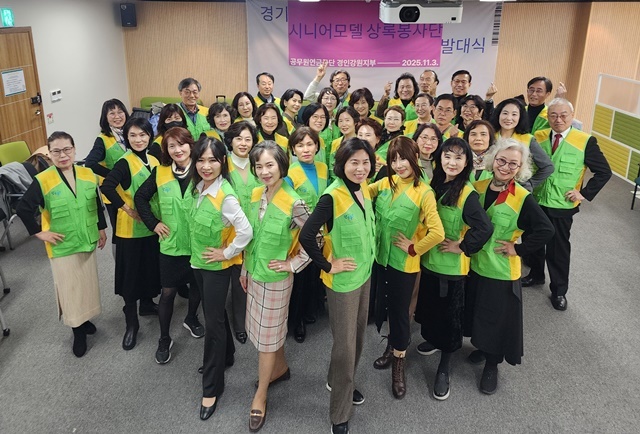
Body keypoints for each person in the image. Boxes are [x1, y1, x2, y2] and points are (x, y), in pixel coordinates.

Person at [299, 138, 376, 434]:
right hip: (343, 283)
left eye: (365, 162)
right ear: (342, 164)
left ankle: (338, 380)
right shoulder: (332, 196)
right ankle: (339, 414)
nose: (360, 168)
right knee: (345, 347)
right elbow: (307, 235)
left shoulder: (363, 188)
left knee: (357, 337)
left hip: (364, 274)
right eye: (354, 162)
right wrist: (328, 265)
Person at [466, 138, 554, 394]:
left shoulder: (522, 197)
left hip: (501, 269)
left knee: (497, 319)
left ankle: (492, 364)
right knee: (478, 313)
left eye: (513, 164)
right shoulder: (478, 187)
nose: (505, 167)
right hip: (474, 263)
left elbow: (546, 230)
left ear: (520, 168)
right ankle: (482, 348)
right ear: (493, 160)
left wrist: (519, 249)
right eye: (501, 161)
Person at [241, 141, 312, 432]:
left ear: (282, 165)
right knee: (264, 332)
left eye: (270, 165)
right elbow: (252, 237)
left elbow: (316, 238)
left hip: (276, 281)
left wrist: (292, 264)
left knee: (266, 339)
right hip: (254, 273)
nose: (264, 171)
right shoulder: (255, 194)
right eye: (258, 166)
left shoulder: (294, 202)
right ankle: (279, 369)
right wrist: (244, 268)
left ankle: (261, 395)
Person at [414, 137, 493, 400]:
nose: (452, 162)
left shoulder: (467, 194)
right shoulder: (435, 184)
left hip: (451, 269)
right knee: (431, 310)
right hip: (428, 261)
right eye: (447, 156)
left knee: (450, 320)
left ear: (467, 162)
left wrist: (462, 246)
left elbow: (484, 228)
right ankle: (434, 340)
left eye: (459, 157)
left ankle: (444, 369)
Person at [17, 131, 107, 358]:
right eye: (56, 151)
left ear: (74, 150)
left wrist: (101, 228)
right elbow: (23, 208)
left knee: (86, 285)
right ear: (50, 153)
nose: (63, 155)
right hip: (63, 244)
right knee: (70, 289)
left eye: (67, 149)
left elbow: (96, 203)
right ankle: (77, 331)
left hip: (86, 238)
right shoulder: (43, 180)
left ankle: (85, 320)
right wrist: (39, 233)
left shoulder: (87, 174)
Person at [368, 136, 445, 399]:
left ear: (415, 158)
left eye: (404, 159)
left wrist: (414, 248)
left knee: (400, 314)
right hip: (381, 258)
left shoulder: (424, 192)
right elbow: (363, 193)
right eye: (394, 160)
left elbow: (437, 232)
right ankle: (392, 347)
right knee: (386, 307)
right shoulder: (386, 183)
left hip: (404, 264)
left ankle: (399, 364)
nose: (399, 165)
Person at [522, 98, 611, 311]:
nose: (558, 120)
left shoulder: (585, 141)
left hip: (561, 204)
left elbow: (604, 172)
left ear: (572, 116)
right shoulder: (538, 136)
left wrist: (584, 193)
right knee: (533, 240)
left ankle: (559, 290)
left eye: (563, 115)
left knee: (558, 248)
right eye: (553, 115)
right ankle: (536, 274)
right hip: (536, 200)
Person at [189, 136, 253, 421]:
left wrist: (227, 252)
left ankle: (212, 388)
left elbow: (246, 231)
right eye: (201, 160)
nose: (206, 166)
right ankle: (227, 356)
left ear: (222, 162)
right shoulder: (199, 187)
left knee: (212, 323)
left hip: (215, 268)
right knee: (214, 313)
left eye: (212, 160)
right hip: (198, 263)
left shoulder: (225, 195)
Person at [133, 127, 204, 365]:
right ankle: (164, 338)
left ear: (191, 145)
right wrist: (153, 223)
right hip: (171, 245)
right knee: (168, 293)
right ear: (166, 150)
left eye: (181, 144)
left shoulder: (202, 169)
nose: (177, 150)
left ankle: (191, 318)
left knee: (196, 285)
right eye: (171, 146)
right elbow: (140, 198)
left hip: (197, 242)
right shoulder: (160, 172)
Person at [101, 117, 161, 351]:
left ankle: (147, 304)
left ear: (150, 136)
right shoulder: (124, 162)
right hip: (130, 231)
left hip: (151, 226)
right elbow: (107, 186)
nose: (138, 139)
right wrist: (126, 208)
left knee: (149, 269)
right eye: (133, 135)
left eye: (143, 135)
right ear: (126, 137)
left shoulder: (154, 159)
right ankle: (131, 324)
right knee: (131, 278)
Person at [284, 127, 329, 344]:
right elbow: (287, 206)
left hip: (322, 231)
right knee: (300, 279)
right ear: (293, 149)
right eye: (300, 145)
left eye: (310, 144)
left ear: (317, 146)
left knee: (314, 275)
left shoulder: (323, 168)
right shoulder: (290, 172)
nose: (306, 149)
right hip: (300, 234)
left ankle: (311, 309)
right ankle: (297, 321)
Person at [224, 121, 260, 344]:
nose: (243, 143)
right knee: (236, 279)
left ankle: (251, 319)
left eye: (248, 139)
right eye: (239, 139)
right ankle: (239, 324)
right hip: (230, 232)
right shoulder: (222, 165)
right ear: (230, 141)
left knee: (252, 276)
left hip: (256, 228)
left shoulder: (258, 164)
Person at [84, 98, 129, 234]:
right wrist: (113, 176)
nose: (117, 116)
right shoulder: (102, 139)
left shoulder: (131, 134)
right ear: (105, 117)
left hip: (132, 190)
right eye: (112, 113)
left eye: (120, 112)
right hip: (114, 193)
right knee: (120, 232)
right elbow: (90, 163)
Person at [491, 98, 554, 192]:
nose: (508, 118)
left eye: (514, 114)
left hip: (515, 191)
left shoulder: (528, 139)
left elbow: (548, 167)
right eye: (505, 113)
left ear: (520, 117)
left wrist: (530, 183)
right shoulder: (489, 136)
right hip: (488, 186)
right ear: (498, 115)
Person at [328, 106, 360, 180]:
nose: (344, 124)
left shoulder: (361, 142)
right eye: (340, 121)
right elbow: (331, 168)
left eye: (347, 120)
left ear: (355, 122)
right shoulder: (335, 143)